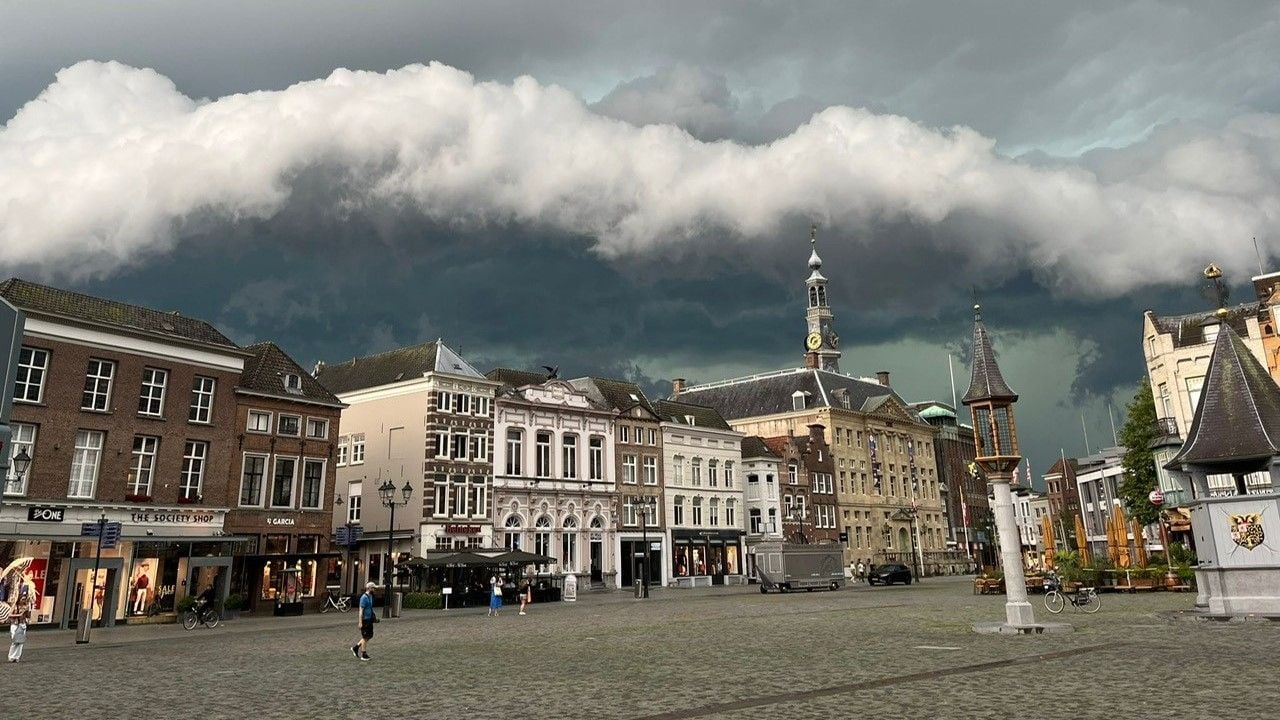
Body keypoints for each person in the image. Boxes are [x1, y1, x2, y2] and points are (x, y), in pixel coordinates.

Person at [352, 582, 375, 661]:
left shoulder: (371, 596)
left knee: (369, 636)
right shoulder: (364, 598)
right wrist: (360, 622)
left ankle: (356, 647)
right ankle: (363, 654)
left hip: (369, 619)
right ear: (369, 588)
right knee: (365, 637)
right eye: (373, 588)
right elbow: (361, 611)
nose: (374, 589)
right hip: (365, 620)